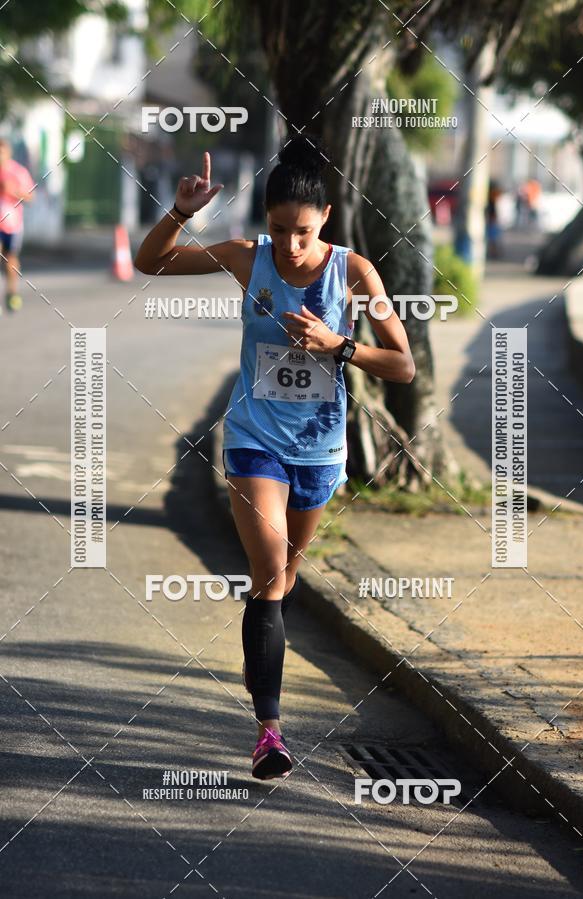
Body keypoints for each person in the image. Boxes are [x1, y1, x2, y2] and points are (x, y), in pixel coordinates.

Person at [134, 134, 415, 781]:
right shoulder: (247, 257)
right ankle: (269, 733)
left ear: (326, 221)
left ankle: (261, 646)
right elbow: (151, 262)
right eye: (280, 229)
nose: (290, 245)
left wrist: (338, 345)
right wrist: (180, 213)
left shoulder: (354, 273)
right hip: (254, 439)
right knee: (267, 572)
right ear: (267, 221)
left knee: (284, 579)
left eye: (303, 232)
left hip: (320, 449)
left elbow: (402, 364)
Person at [0, 139, 35, 312]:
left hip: (12, 225)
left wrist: (12, 190)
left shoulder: (18, 172)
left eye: (2, 152)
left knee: (10, 259)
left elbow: (30, 196)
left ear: (8, 153)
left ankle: (12, 292)